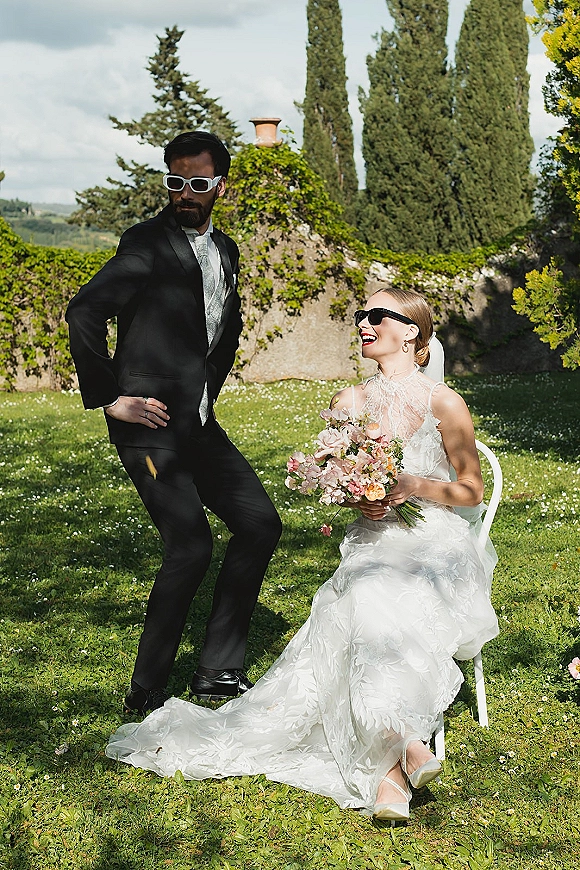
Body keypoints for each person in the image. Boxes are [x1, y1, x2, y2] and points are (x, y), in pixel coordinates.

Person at [105, 287, 499, 821]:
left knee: (377, 594)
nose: (363, 323)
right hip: (376, 539)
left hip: (436, 544)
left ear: (412, 331)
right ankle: (399, 755)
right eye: (361, 316)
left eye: (377, 316)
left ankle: (393, 762)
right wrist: (358, 496)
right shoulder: (349, 403)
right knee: (366, 590)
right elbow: (336, 480)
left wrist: (412, 485)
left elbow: (472, 491)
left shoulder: (444, 402)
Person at [66, 131, 282, 717]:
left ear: (220, 185)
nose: (185, 193)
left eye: (199, 183)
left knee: (260, 524)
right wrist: (110, 398)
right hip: (150, 427)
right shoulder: (145, 245)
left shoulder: (228, 251)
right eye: (175, 181)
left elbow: (224, 328)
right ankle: (147, 690)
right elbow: (85, 311)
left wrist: (207, 391)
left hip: (200, 424)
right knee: (189, 545)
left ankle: (217, 671)